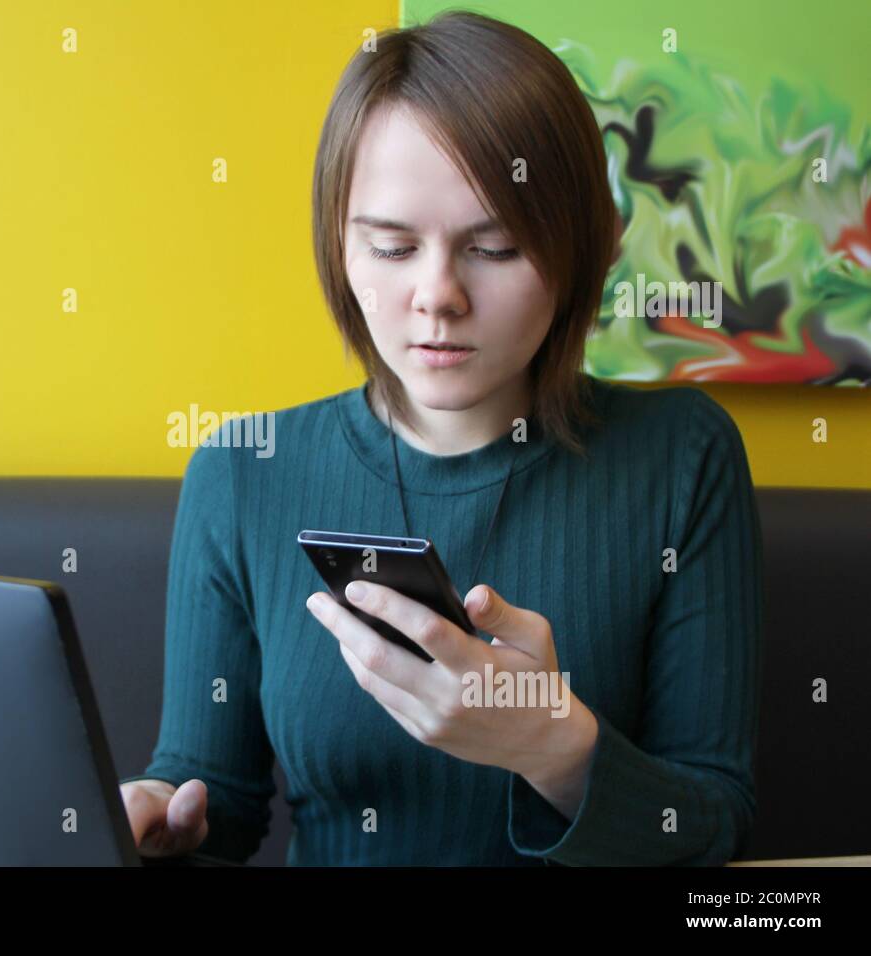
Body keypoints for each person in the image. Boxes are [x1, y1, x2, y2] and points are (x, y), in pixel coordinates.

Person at [120, 9, 762, 866]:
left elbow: (713, 824)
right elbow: (215, 800)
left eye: (493, 249)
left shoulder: (683, 458)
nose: (437, 296)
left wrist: (551, 743)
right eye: (391, 248)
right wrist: (161, 814)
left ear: (576, 250)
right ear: (339, 247)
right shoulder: (243, 473)